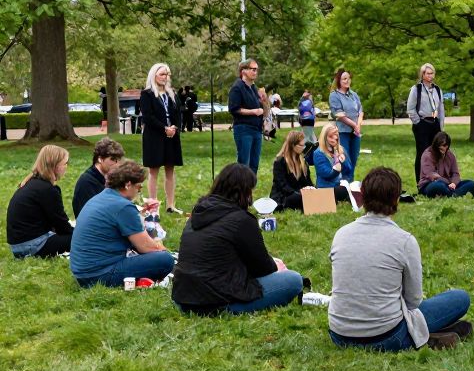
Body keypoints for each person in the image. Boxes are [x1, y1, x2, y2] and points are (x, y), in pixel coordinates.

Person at [328, 166, 472, 351]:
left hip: (339, 334)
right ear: (397, 199)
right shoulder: (404, 241)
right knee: (460, 298)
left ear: (362, 195)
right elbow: (413, 301)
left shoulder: (341, 234)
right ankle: (420, 335)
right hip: (386, 335)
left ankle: (431, 333)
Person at [172, 163, 303, 315]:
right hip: (216, 301)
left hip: (184, 298)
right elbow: (262, 268)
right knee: (293, 280)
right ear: (244, 192)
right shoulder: (241, 220)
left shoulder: (199, 212)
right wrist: (275, 265)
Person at [70, 160, 175, 287]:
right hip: (100, 274)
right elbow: (145, 247)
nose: (139, 192)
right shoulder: (123, 206)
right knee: (165, 260)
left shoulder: (101, 198)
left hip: (81, 272)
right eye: (139, 187)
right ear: (128, 185)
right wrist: (161, 249)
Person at [7, 145, 74, 259]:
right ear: (55, 166)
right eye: (64, 163)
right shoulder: (47, 190)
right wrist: (78, 232)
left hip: (19, 245)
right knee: (85, 238)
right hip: (31, 246)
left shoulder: (32, 183)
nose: (66, 167)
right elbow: (61, 225)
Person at [140, 62, 184, 214]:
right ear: (154, 75)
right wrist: (164, 128)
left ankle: (170, 205)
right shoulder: (147, 94)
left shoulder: (172, 93)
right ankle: (153, 206)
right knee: (154, 171)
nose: (165, 77)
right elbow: (148, 116)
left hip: (171, 136)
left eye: (167, 74)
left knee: (170, 170)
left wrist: (174, 128)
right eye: (162, 74)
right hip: (154, 136)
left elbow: (178, 113)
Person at [407, 63, 444, 184]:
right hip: (422, 122)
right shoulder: (416, 89)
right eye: (427, 73)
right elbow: (410, 108)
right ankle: (421, 182)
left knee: (436, 153)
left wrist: (441, 126)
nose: (430, 76)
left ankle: (436, 180)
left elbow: (441, 109)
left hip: (435, 123)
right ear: (422, 74)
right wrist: (418, 122)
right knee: (423, 154)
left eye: (432, 73)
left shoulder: (437, 89)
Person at [228, 59, 266, 175]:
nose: (255, 72)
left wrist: (264, 100)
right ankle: (241, 191)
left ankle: (250, 191)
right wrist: (253, 111)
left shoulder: (253, 88)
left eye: (256, 70)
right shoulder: (237, 87)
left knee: (254, 164)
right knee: (244, 163)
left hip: (257, 129)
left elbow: (263, 108)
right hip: (244, 129)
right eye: (253, 69)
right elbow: (234, 109)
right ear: (243, 71)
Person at [72, 137, 125, 217]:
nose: (117, 164)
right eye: (113, 159)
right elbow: (89, 215)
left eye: (118, 160)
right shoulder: (87, 183)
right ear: (100, 159)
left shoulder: (110, 177)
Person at [329, 68, 364, 181]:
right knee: (345, 158)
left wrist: (357, 126)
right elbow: (339, 115)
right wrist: (354, 125)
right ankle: (344, 182)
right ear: (338, 80)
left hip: (355, 132)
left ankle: (351, 182)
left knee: (354, 158)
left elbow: (360, 111)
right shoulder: (334, 96)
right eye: (344, 79)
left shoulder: (354, 95)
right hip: (342, 132)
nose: (347, 81)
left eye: (348, 78)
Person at [418, 131, 474, 198]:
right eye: (440, 145)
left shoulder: (450, 155)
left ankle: (451, 194)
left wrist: (454, 183)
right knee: (438, 186)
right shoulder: (428, 154)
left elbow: (455, 173)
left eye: (445, 145)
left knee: (471, 183)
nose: (442, 147)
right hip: (430, 183)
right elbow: (430, 174)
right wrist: (447, 182)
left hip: (449, 185)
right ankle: (455, 194)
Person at [271, 131, 315, 210]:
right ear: (293, 145)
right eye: (301, 145)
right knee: (298, 198)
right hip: (284, 196)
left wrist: (311, 189)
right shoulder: (280, 162)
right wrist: (300, 192)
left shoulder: (303, 162)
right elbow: (282, 185)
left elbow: (308, 181)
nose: (304, 147)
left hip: (300, 193)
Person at [312, 124, 353, 202]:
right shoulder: (318, 153)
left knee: (356, 186)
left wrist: (344, 162)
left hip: (339, 184)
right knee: (344, 190)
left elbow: (348, 170)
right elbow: (327, 175)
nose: (335, 138)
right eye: (331, 136)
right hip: (325, 187)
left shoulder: (341, 149)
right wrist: (336, 170)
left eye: (336, 135)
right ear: (324, 138)